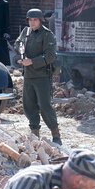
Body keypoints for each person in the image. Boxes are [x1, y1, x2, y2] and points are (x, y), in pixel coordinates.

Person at [14, 8, 60, 144]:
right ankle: (35, 134)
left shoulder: (47, 35)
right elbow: (18, 43)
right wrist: (20, 54)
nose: (32, 22)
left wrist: (32, 61)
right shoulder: (25, 32)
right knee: (29, 106)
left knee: (45, 106)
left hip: (42, 76)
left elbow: (51, 56)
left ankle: (56, 135)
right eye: (30, 20)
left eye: (35, 20)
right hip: (28, 75)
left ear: (40, 21)